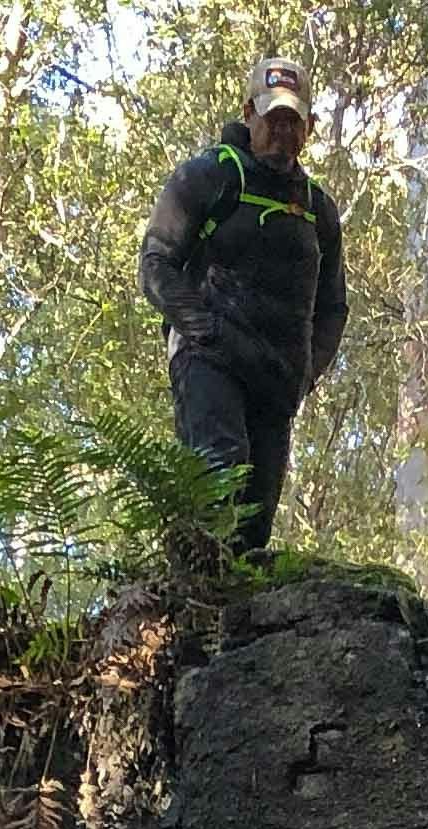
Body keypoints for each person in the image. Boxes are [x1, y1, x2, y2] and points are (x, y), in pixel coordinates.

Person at [137, 57, 349, 555]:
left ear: (309, 127)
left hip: (276, 379)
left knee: (254, 524)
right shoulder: (210, 176)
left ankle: (233, 628)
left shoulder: (318, 209)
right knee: (219, 479)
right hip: (209, 360)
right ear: (248, 113)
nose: (281, 131)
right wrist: (203, 330)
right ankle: (189, 613)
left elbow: (334, 307)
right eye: (272, 118)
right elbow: (156, 264)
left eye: (292, 121)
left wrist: (306, 372)